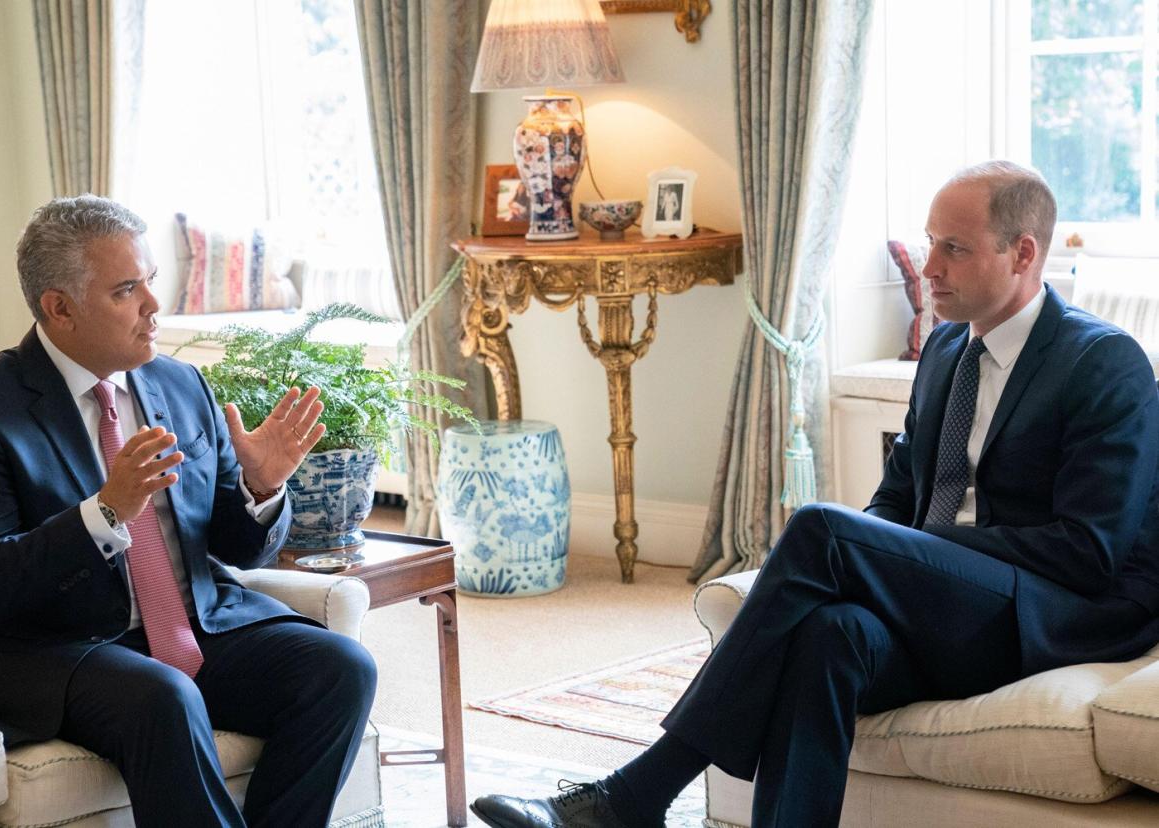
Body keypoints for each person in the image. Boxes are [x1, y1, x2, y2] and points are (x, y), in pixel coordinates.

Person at [471, 160, 1159, 828]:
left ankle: (637, 793)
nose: (931, 265)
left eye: (954, 247)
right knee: (832, 636)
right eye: (929, 242)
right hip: (953, 608)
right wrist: (887, 563)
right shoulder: (949, 351)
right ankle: (642, 802)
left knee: (823, 531)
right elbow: (896, 500)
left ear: (1023, 253)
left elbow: (1087, 553)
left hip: (1050, 612)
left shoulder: (1101, 363)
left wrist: (906, 555)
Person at [0, 195, 377, 827]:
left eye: (150, 282)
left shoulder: (181, 384)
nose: (154, 306)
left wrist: (260, 489)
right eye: (126, 290)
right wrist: (107, 512)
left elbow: (238, 548)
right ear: (60, 308)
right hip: (54, 647)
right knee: (163, 696)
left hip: (194, 622)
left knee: (340, 668)